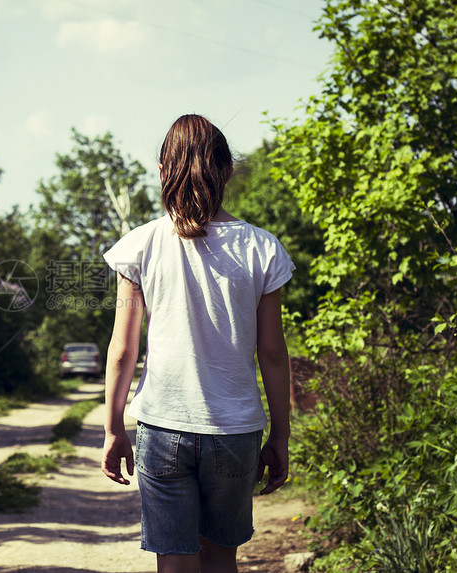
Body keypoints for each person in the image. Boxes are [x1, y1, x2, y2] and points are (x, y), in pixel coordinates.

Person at [101, 114, 294, 573]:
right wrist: (282, 434)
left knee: (174, 561)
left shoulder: (140, 245)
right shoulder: (262, 248)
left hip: (164, 426)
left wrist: (113, 428)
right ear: (228, 170)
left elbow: (123, 348)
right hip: (235, 431)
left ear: (164, 171)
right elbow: (272, 352)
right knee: (220, 558)